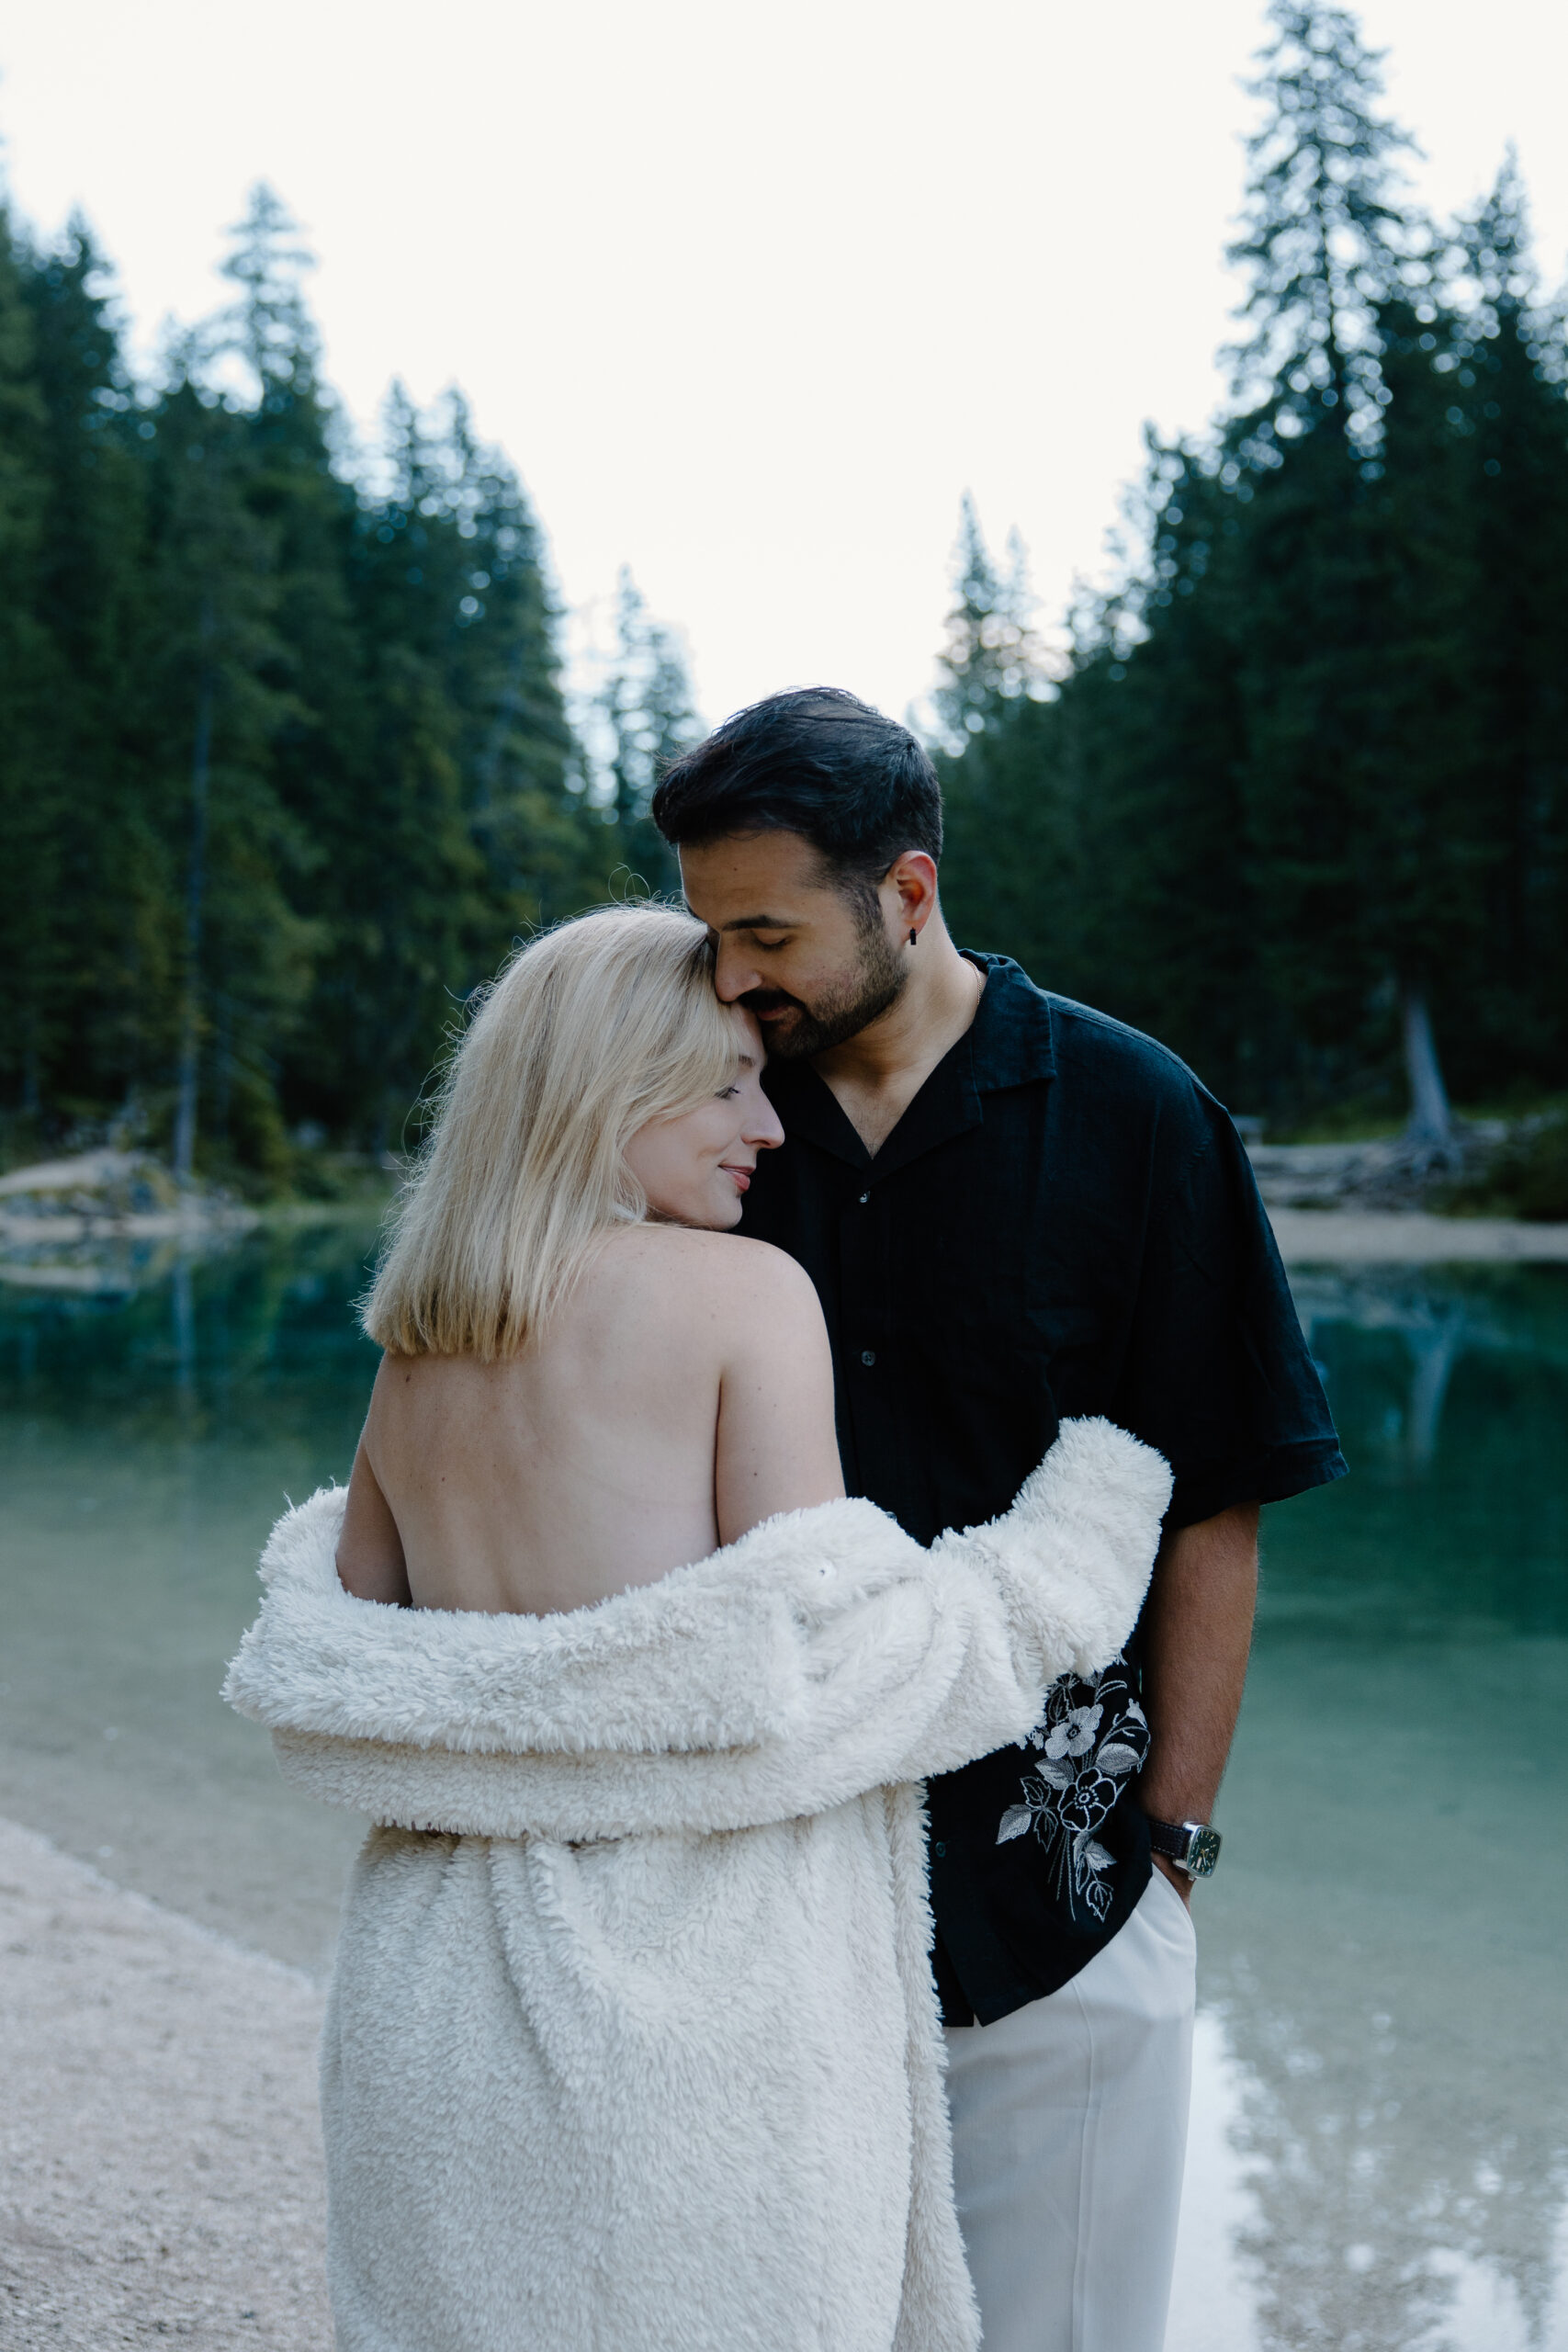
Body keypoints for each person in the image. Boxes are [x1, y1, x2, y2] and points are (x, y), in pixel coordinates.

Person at [223, 901, 1175, 2352]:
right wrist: (1071, 1550)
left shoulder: (421, 1344)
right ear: (613, 1087)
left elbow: (360, 1665)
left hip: (433, 1996)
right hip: (686, 1990)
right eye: (729, 1081)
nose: (770, 1127)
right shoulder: (744, 1297)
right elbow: (828, 1671)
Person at [651, 690, 1348, 2352]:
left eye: (766, 931)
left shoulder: (1140, 1116)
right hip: (756, 1907)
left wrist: (1167, 1857)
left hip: (1069, 1904)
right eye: (708, 937)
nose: (734, 981)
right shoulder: (699, 1127)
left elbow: (1213, 1508)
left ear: (906, 891)